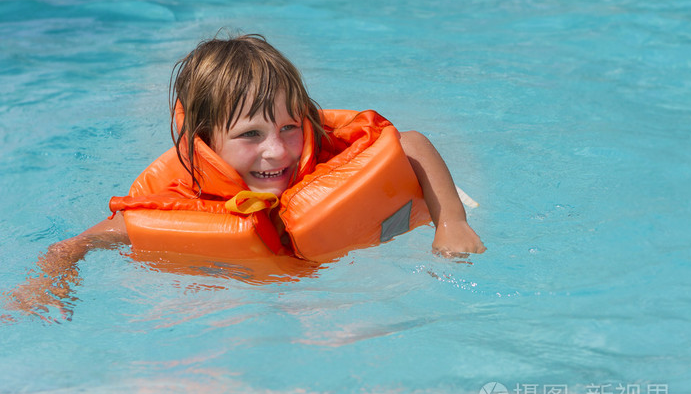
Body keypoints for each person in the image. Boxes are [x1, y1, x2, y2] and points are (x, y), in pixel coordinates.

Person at [7, 34, 485, 318]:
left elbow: (413, 144)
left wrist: (452, 222)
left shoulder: (331, 152)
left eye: (289, 127)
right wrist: (50, 280)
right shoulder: (183, 197)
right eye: (250, 134)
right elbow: (75, 244)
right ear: (205, 140)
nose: (276, 150)